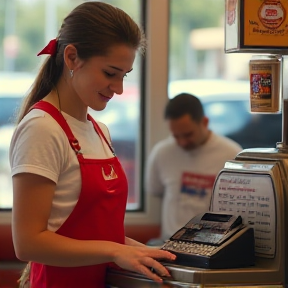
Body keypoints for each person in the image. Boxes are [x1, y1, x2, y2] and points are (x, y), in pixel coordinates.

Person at [9, 2, 176, 288]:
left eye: (124, 75)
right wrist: (115, 250)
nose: (119, 88)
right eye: (110, 73)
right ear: (72, 57)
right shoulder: (42, 128)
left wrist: (139, 251)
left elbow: (90, 235)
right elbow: (28, 243)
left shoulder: (100, 132)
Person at [145, 93, 242, 242]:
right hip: (169, 242)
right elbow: (155, 191)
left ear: (204, 122)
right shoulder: (162, 152)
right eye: (176, 136)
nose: (182, 142)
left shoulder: (231, 154)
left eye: (188, 134)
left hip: (212, 243)